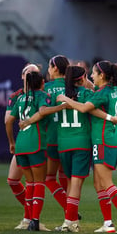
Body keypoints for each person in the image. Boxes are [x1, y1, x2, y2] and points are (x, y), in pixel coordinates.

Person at [57, 60, 117, 233]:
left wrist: (64, 99)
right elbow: (93, 107)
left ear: (102, 75)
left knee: (106, 183)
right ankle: (108, 223)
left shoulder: (101, 92)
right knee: (99, 183)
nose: (91, 76)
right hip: (109, 138)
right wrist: (108, 117)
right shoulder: (112, 89)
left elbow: (85, 108)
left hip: (101, 140)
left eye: (94, 73)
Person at [5, 71, 66, 231]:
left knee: (29, 183)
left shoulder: (20, 98)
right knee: (39, 182)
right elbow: (44, 111)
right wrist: (62, 106)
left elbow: (9, 121)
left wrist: (11, 142)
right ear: (41, 83)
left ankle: (29, 219)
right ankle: (35, 221)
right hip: (36, 144)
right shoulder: (42, 96)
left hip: (21, 145)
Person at [44, 55, 70, 215]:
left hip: (52, 138)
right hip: (71, 139)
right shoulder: (73, 86)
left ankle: (70, 211)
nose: (48, 70)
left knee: (49, 178)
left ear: (55, 68)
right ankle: (72, 212)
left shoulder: (45, 88)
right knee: (66, 176)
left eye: (49, 66)